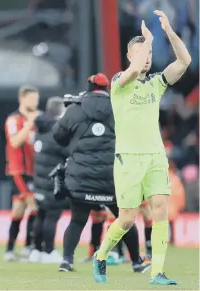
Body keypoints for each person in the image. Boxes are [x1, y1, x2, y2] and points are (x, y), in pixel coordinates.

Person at [93, 11, 191, 285]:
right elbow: (134, 70)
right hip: (128, 159)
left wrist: (168, 32)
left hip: (155, 156)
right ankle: (101, 255)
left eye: (148, 52)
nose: (146, 56)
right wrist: (147, 41)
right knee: (126, 219)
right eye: (140, 52)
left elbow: (185, 61)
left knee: (160, 207)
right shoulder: (118, 84)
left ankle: (157, 272)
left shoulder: (156, 84)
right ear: (129, 56)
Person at [52, 73, 148, 273]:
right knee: (125, 219)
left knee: (77, 220)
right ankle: (137, 262)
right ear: (107, 89)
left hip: (80, 177)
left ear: (88, 88)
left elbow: (58, 137)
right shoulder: (119, 108)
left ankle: (67, 261)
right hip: (112, 177)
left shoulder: (75, 109)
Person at [3, 86, 40, 261]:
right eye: (32, 99)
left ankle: (11, 249)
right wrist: (30, 123)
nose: (35, 103)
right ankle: (29, 247)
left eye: (37, 100)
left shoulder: (35, 120)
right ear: (22, 99)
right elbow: (15, 141)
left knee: (19, 210)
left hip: (34, 170)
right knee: (35, 205)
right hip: (18, 170)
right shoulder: (14, 119)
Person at [31, 97, 67, 264]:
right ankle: (49, 250)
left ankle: (36, 249)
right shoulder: (57, 131)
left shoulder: (40, 127)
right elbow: (67, 151)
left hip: (39, 180)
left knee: (41, 215)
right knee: (51, 217)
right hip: (53, 180)